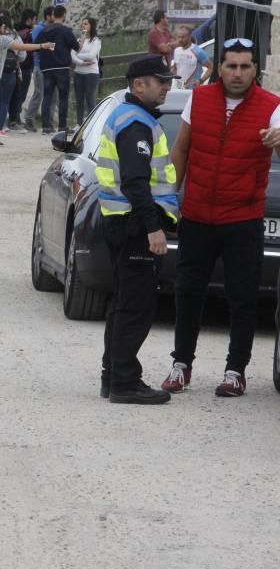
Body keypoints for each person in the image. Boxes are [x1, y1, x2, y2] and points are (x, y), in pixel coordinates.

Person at [160, 38, 280, 397]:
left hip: (242, 219)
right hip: (196, 215)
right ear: (220, 67)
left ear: (255, 69)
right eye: (231, 66)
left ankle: (235, 371)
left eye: (245, 67)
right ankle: (181, 365)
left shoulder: (273, 107)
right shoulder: (199, 99)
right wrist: (169, 200)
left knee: (243, 296)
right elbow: (181, 148)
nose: (238, 74)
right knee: (187, 293)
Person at [95, 55, 179, 404]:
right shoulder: (135, 123)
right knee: (136, 307)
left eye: (168, 80)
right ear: (138, 84)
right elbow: (135, 181)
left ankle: (113, 376)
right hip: (135, 225)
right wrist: (153, 228)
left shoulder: (133, 117)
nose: (167, 87)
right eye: (160, 81)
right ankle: (125, 383)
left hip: (122, 223)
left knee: (123, 304)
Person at [0, 12, 50, 145]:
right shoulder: (2, 39)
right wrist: (42, 46)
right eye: (2, 26)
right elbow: (22, 47)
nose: (4, 28)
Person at [36, 5, 80, 134]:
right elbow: (76, 47)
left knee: (47, 97)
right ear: (64, 15)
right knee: (63, 98)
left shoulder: (43, 31)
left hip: (47, 68)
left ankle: (46, 127)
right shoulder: (66, 31)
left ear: (53, 16)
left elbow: (38, 47)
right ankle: (62, 126)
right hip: (62, 67)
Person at [22, 6, 53, 132]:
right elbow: (37, 45)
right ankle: (29, 119)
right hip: (39, 65)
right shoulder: (39, 29)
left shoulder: (50, 28)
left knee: (49, 95)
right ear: (47, 16)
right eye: (53, 15)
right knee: (39, 93)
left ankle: (48, 122)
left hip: (50, 65)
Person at [9, 8, 37, 131]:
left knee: (16, 94)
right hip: (24, 66)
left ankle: (14, 117)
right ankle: (15, 118)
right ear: (29, 19)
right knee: (21, 94)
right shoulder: (27, 33)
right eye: (34, 19)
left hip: (17, 66)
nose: (35, 22)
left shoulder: (16, 31)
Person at [72, 17, 102, 127]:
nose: (83, 26)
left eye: (86, 24)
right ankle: (78, 123)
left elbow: (91, 55)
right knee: (79, 100)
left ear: (91, 26)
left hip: (91, 73)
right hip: (78, 72)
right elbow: (71, 55)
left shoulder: (96, 41)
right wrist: (81, 62)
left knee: (90, 99)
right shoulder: (78, 40)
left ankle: (92, 124)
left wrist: (77, 57)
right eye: (82, 24)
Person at [170, 25, 211, 90]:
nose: (180, 40)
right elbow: (175, 69)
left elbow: (211, 68)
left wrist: (201, 81)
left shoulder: (198, 51)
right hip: (179, 89)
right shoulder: (176, 50)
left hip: (193, 91)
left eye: (183, 37)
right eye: (179, 37)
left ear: (189, 37)